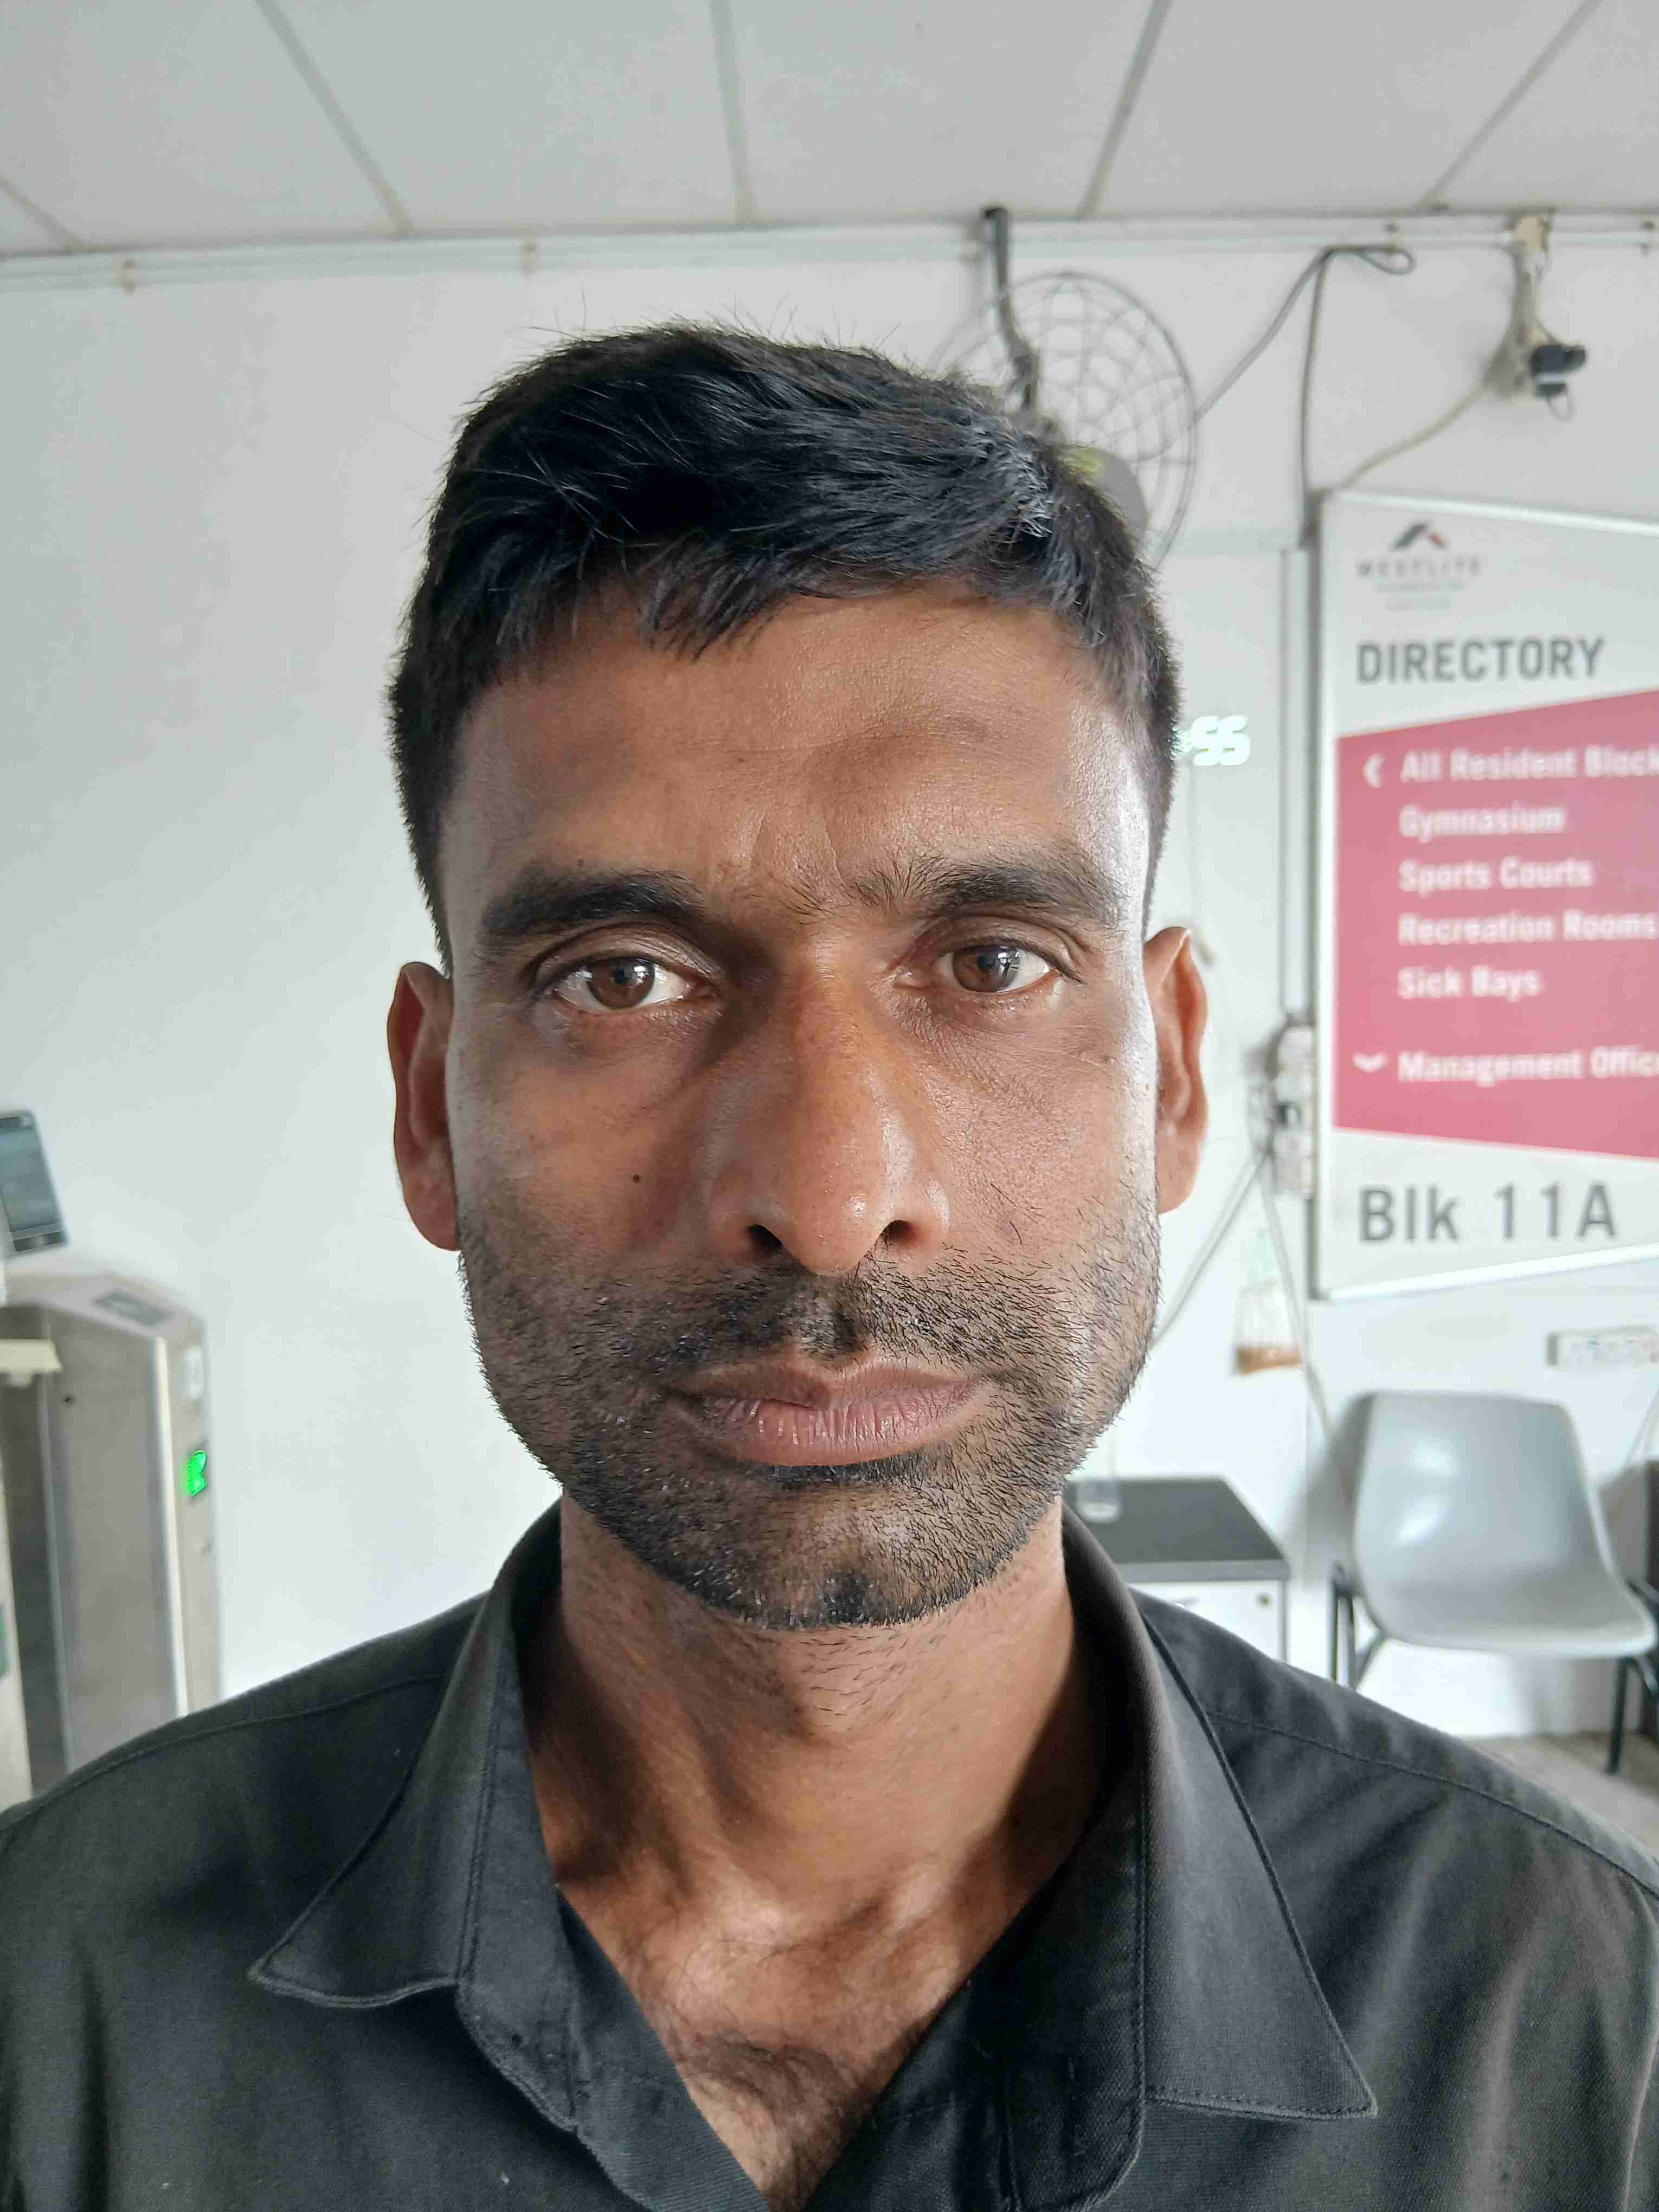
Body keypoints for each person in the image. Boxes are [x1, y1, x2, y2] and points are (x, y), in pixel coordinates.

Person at [2, 325, 1655, 2212]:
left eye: (990, 963)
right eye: (622, 977)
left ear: (1174, 1078)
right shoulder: (55, 2011)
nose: (828, 1194)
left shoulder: (1582, 2031)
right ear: (428, 1110)